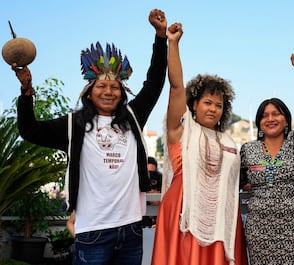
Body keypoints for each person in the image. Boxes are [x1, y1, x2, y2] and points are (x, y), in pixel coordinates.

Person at [12, 8, 168, 265]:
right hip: (92, 232)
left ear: (122, 91)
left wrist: (160, 37)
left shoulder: (133, 117)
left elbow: (154, 82)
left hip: (131, 229)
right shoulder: (73, 124)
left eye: (115, 86)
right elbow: (29, 130)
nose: (109, 91)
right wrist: (27, 91)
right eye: (102, 86)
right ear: (89, 91)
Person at [151, 22, 248, 265]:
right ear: (194, 104)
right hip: (184, 212)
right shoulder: (183, 130)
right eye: (207, 102)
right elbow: (175, 87)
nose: (213, 109)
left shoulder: (228, 140)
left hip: (222, 217)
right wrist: (173, 44)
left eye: (219, 105)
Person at [239, 53, 294, 264]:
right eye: (265, 115)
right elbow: (236, 181)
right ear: (259, 122)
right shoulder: (247, 149)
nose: (270, 118)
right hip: (259, 230)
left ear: (286, 120)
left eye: (276, 114)